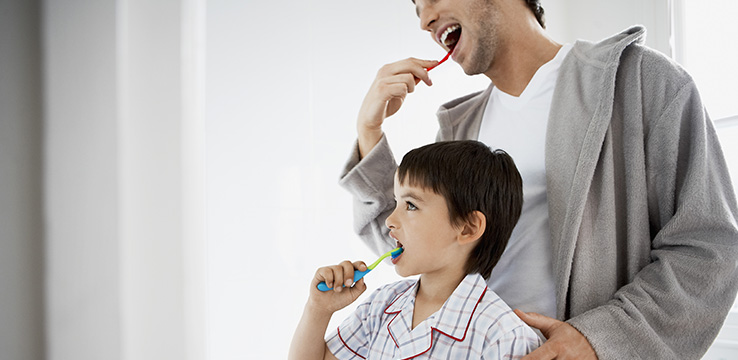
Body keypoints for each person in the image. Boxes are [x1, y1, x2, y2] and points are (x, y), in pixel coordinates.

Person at [338, 0, 738, 359]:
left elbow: (709, 250)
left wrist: (599, 340)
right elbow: (410, 247)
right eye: (416, 10)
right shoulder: (458, 132)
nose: (425, 19)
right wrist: (369, 131)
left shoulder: (643, 83)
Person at [289, 140, 542, 359]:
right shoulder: (382, 306)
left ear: (467, 228)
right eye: (397, 202)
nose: (390, 220)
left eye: (410, 205)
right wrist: (318, 309)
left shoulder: (504, 337)